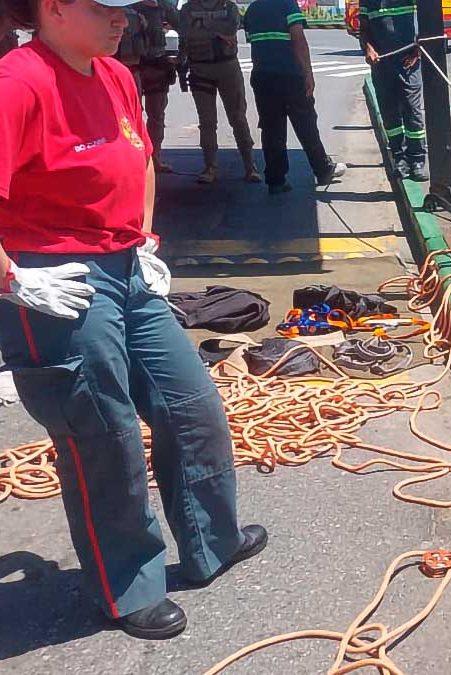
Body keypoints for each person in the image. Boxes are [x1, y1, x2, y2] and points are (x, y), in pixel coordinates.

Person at [0, 0, 267, 640]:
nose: (127, 20)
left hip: (123, 262)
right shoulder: (19, 83)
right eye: (107, 9)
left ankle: (213, 540)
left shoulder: (114, 73)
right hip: (53, 277)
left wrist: (144, 238)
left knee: (191, 403)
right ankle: (128, 587)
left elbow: (140, 157)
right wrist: (12, 279)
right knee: (103, 435)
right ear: (55, 8)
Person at [242, 0, 346, 194]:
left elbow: (252, 40)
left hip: (263, 76)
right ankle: (322, 169)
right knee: (306, 124)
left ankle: (276, 179)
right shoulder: (287, 6)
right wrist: (308, 73)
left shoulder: (252, 9)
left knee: (272, 128)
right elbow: (298, 41)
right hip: (290, 76)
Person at [179, 0, 261, 184]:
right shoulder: (188, 9)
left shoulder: (228, 7)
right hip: (199, 68)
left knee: (238, 118)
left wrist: (203, 28)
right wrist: (215, 31)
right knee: (207, 122)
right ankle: (210, 167)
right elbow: (186, 34)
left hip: (227, 67)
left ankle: (250, 166)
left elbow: (231, 28)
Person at [359, 0, 427, 182]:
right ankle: (399, 158)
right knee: (389, 114)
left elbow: (426, 20)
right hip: (382, 64)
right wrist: (368, 48)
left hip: (408, 62)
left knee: (412, 110)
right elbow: (364, 30)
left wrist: (417, 51)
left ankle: (417, 160)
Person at [115, 0, 180, 174]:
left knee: (157, 116)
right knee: (128, 117)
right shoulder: (127, 8)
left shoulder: (161, 7)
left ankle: (154, 158)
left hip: (156, 65)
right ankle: (132, 160)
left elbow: (181, 24)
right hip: (132, 67)